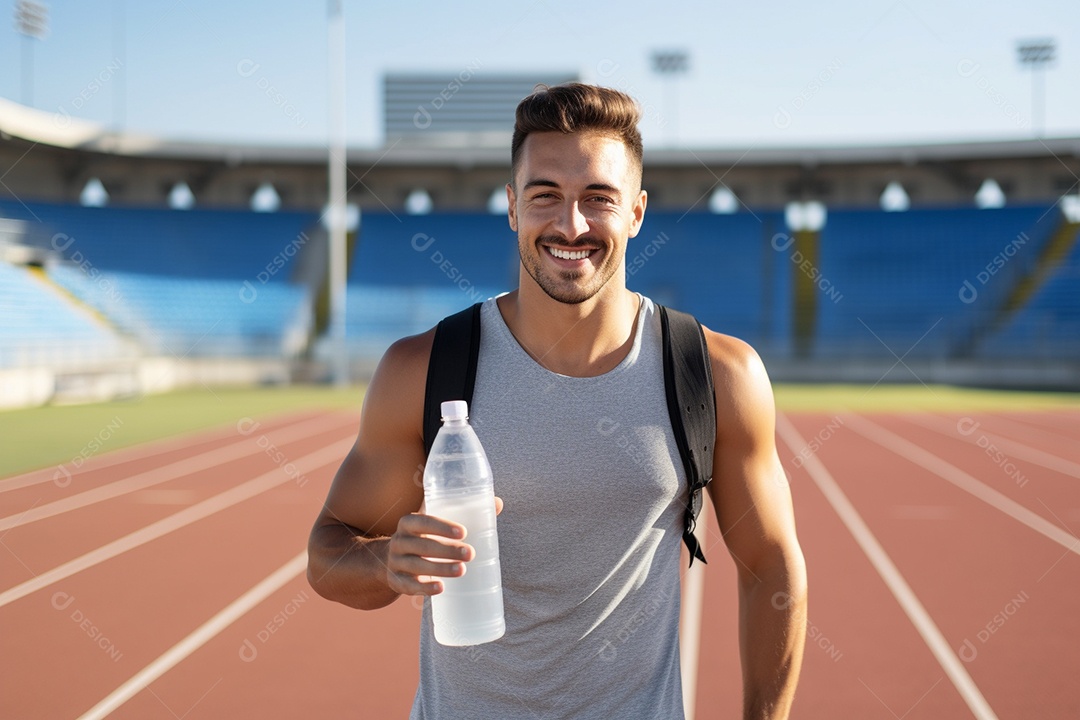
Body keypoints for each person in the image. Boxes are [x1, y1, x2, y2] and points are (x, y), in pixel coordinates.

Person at [307, 82, 807, 719]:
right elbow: (328, 555)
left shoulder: (714, 373)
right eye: (546, 195)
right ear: (513, 206)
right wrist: (387, 561)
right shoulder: (423, 370)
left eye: (599, 199)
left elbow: (771, 565)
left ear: (637, 213)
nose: (571, 224)